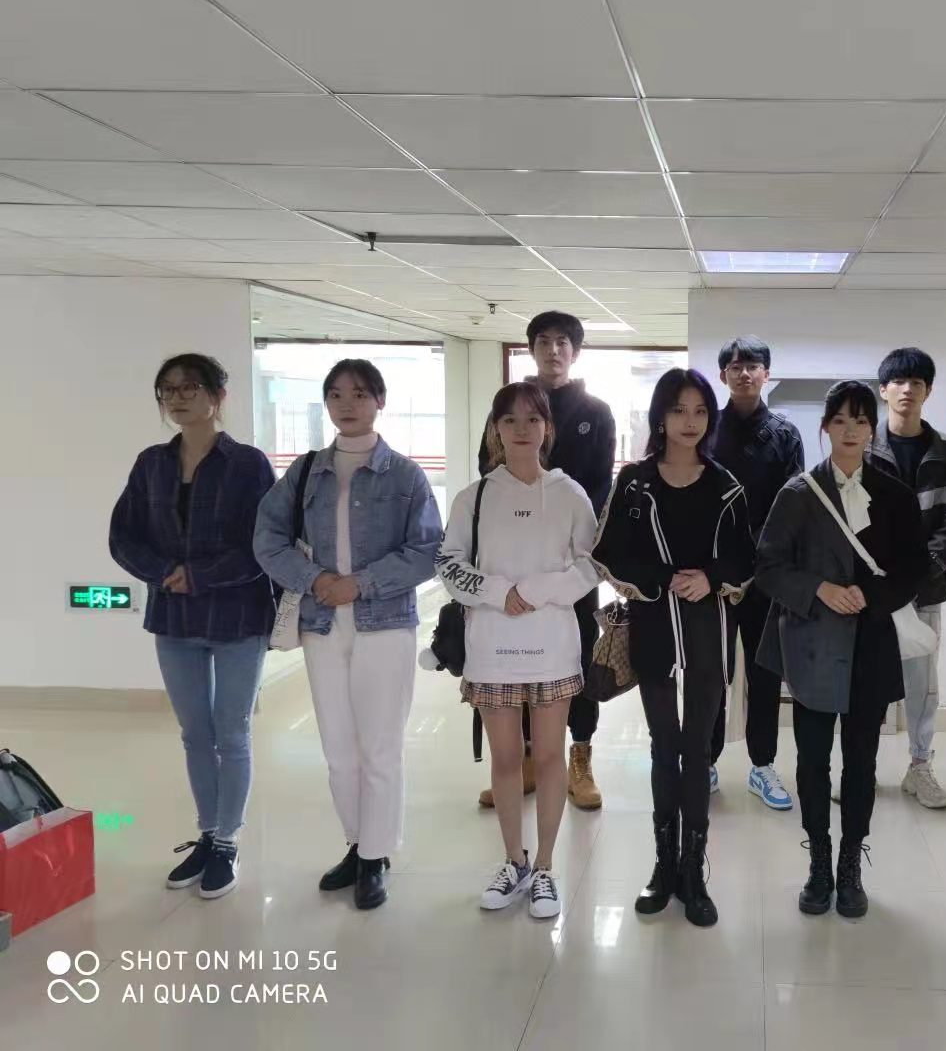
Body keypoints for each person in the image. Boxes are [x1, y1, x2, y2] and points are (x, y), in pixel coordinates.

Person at [254, 359, 442, 911]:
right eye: (336, 394)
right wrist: (316, 580)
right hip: (320, 623)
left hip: (384, 623)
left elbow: (427, 549)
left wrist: (360, 584)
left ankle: (376, 856)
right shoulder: (305, 471)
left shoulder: (404, 475)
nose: (347, 404)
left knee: (379, 747)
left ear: (379, 401)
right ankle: (357, 844)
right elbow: (267, 539)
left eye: (359, 394)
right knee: (338, 749)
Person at [756, 381, 929, 919]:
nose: (851, 430)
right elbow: (768, 566)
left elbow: (915, 568)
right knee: (811, 760)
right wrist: (819, 589)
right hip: (812, 643)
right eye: (840, 419)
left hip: (871, 645)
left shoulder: (895, 495)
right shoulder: (798, 494)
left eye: (860, 420)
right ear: (825, 426)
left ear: (872, 428)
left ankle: (851, 861)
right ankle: (819, 860)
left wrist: (871, 596)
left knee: (861, 761)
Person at [108, 354, 277, 901]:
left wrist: (199, 576)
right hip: (174, 617)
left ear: (218, 396)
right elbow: (122, 536)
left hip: (237, 615)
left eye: (190, 387)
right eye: (168, 390)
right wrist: (163, 572)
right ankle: (207, 834)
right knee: (194, 733)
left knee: (232, 731)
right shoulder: (151, 464)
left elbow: (264, 543)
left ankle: (227, 841)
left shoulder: (247, 464)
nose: (178, 398)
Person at [590, 368, 754, 928]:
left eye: (700, 411)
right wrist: (661, 580)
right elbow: (607, 551)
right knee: (664, 746)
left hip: (708, 632)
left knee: (698, 751)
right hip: (655, 630)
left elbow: (746, 557)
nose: (690, 421)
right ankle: (663, 865)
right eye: (679, 409)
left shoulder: (725, 485)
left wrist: (712, 577)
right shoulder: (634, 482)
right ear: (661, 415)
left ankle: (693, 869)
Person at [435, 383, 598, 920]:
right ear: (495, 430)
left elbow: (593, 563)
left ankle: (545, 866)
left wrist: (539, 591)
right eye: (510, 420)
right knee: (506, 760)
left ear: (547, 428)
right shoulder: (475, 496)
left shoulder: (570, 493)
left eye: (533, 419)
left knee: (550, 757)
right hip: (492, 648)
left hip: (552, 647)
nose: (522, 429)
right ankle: (514, 862)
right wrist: (497, 593)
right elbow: (449, 563)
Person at [478, 311, 617, 813]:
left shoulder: (596, 411)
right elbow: (487, 473)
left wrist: (571, 541)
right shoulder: (509, 404)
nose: (553, 350)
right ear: (531, 348)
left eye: (562, 342)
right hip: (512, 562)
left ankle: (579, 757)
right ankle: (526, 760)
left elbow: (601, 487)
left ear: (574, 352)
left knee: (576, 654)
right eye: (543, 341)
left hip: (571, 564)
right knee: (513, 655)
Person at [866, 347, 946, 810]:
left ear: (928, 391)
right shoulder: (863, 446)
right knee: (867, 678)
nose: (908, 389)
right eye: (899, 381)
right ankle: (862, 765)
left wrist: (916, 573)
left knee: (922, 683)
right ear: (883, 389)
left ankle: (920, 765)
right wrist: (879, 576)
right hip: (871, 589)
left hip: (924, 588)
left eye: (917, 382)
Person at [708, 335, 804, 809]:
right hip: (712, 576)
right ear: (723, 374)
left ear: (767, 373)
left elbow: (793, 504)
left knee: (765, 674)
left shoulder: (785, 434)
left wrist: (762, 558)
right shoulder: (706, 429)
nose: (744, 373)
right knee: (712, 671)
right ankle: (704, 762)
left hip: (765, 576)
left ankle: (762, 766)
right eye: (735, 366)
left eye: (753, 366)